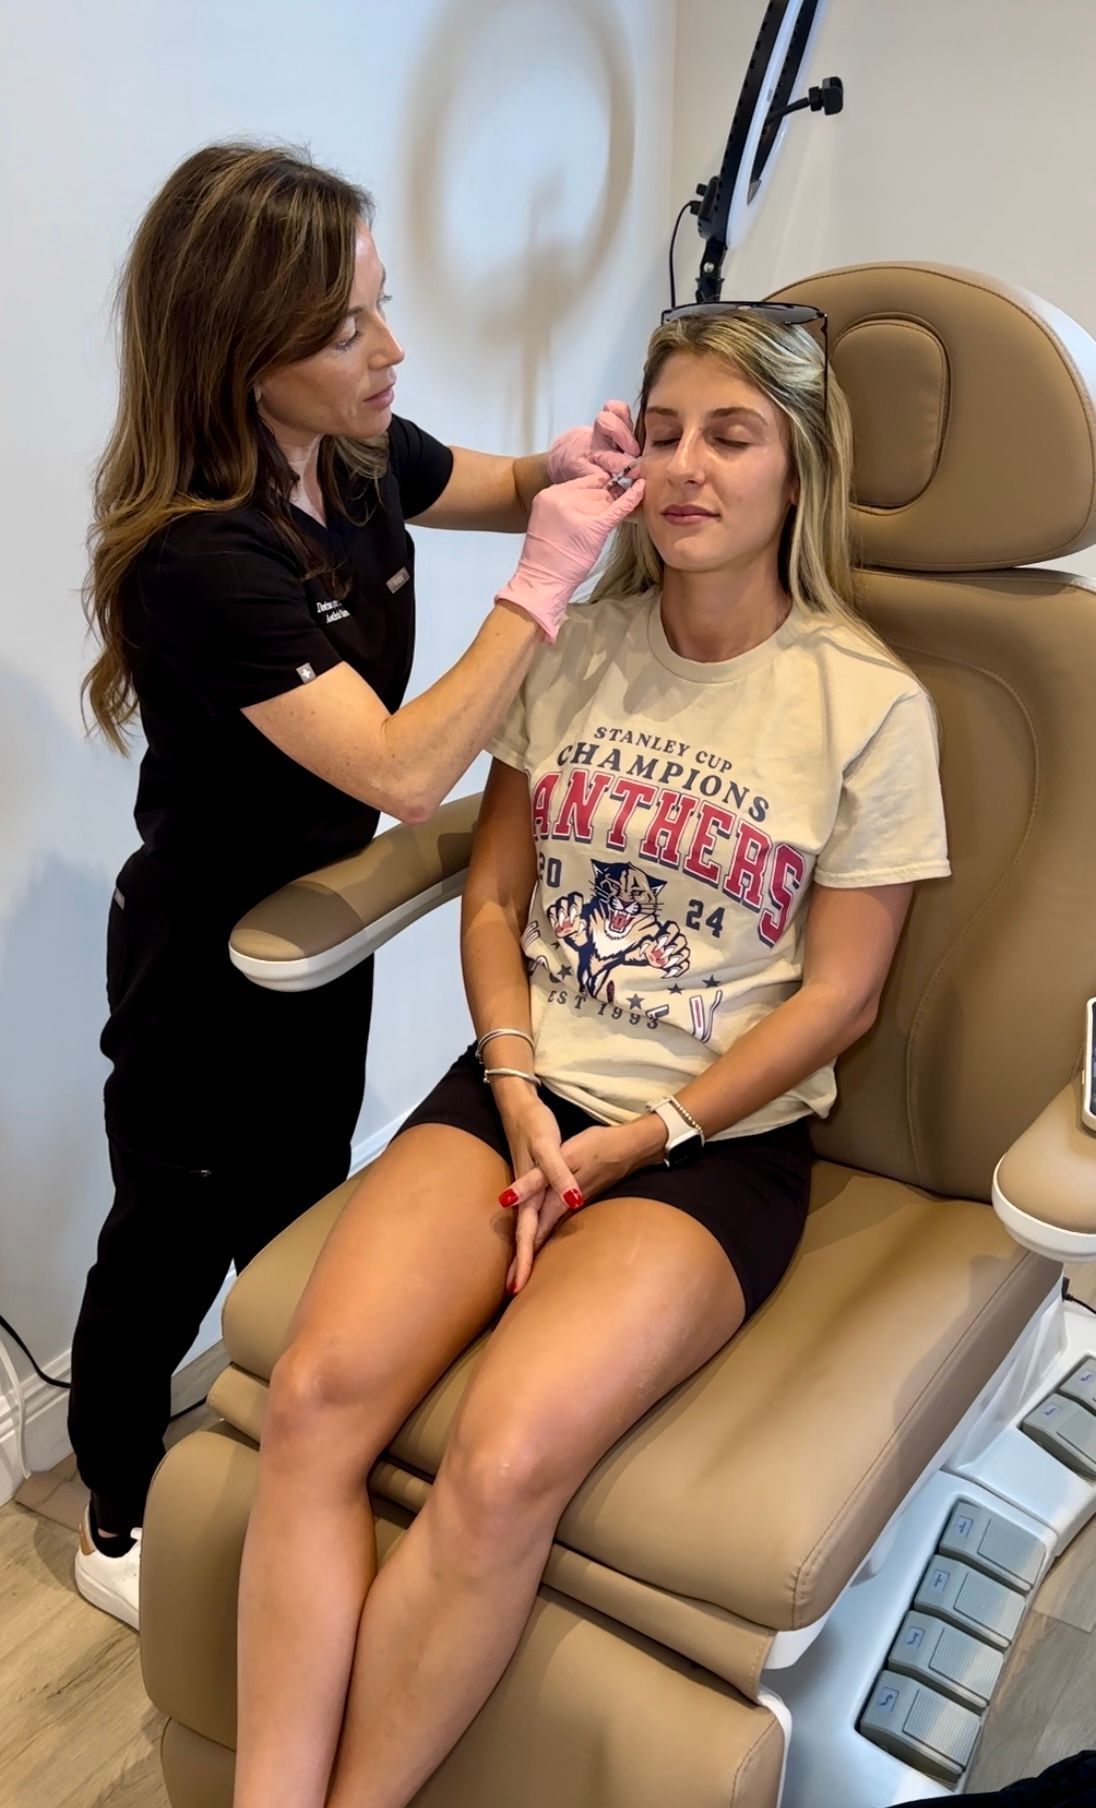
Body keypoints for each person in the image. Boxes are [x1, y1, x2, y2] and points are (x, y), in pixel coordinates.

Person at [233, 302, 952, 1808]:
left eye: (733, 436)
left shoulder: (871, 706)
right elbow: (493, 894)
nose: (690, 468)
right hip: (515, 1092)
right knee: (309, 1402)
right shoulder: (576, 649)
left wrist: (645, 1138)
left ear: (799, 470)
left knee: (502, 1467)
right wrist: (511, 1088)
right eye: (668, 431)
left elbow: (838, 1002)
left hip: (705, 1153)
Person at [68, 140, 643, 1630]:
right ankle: (118, 1512)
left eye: (379, 307)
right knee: (168, 1245)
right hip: (205, 962)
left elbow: (502, 482)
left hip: (324, 940)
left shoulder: (360, 454)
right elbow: (395, 769)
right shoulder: (196, 560)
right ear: (243, 355)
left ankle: (282, 1472)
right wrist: (544, 588)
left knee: (304, 1210)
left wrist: (581, 472)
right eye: (346, 330)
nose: (391, 349)